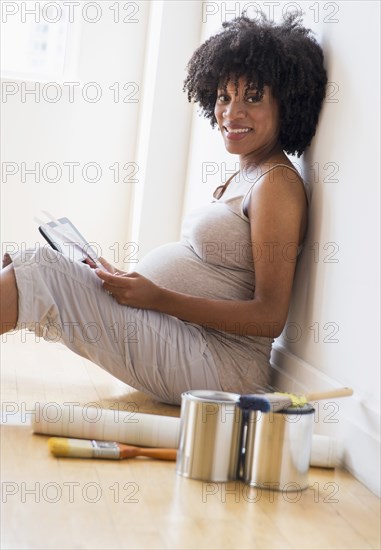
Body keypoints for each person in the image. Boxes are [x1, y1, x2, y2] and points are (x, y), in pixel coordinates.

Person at [0, 13, 327, 405]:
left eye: (252, 98)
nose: (232, 113)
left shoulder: (277, 184)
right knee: (23, 263)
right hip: (186, 340)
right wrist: (124, 280)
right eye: (225, 97)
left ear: (286, 104)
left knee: (38, 269)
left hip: (221, 367)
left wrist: (157, 298)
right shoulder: (246, 174)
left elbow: (269, 317)